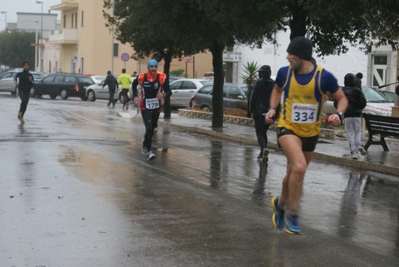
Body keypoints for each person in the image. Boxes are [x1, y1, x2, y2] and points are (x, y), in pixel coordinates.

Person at [265, 36, 348, 235]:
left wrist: (339, 114)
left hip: (311, 133)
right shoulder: (285, 73)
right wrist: (272, 108)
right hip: (288, 128)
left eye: (291, 55)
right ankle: (293, 214)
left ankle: (280, 203)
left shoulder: (324, 77)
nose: (287, 58)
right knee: (300, 167)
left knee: (293, 172)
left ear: (302, 56)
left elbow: (342, 98)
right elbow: (277, 90)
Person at [132, 59, 172, 160]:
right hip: (144, 106)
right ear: (148, 68)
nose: (153, 69)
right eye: (151, 67)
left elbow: (169, 91)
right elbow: (133, 84)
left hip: (156, 107)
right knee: (149, 128)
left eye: (155, 67)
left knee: (153, 127)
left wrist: (163, 94)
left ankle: (146, 142)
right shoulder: (141, 77)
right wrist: (135, 96)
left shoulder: (162, 77)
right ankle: (148, 151)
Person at [247, 65, 276, 162]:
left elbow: (251, 97)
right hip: (270, 111)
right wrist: (276, 113)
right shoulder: (273, 83)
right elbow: (277, 99)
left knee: (259, 133)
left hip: (258, 111)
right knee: (264, 132)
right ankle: (262, 151)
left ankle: (263, 149)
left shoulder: (257, 83)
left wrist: (249, 111)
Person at [334, 73, 367, 159]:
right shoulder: (358, 91)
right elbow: (363, 102)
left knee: (349, 133)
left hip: (347, 115)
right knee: (358, 130)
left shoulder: (341, 91)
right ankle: (359, 143)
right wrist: (358, 108)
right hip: (356, 115)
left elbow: (336, 103)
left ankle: (353, 151)